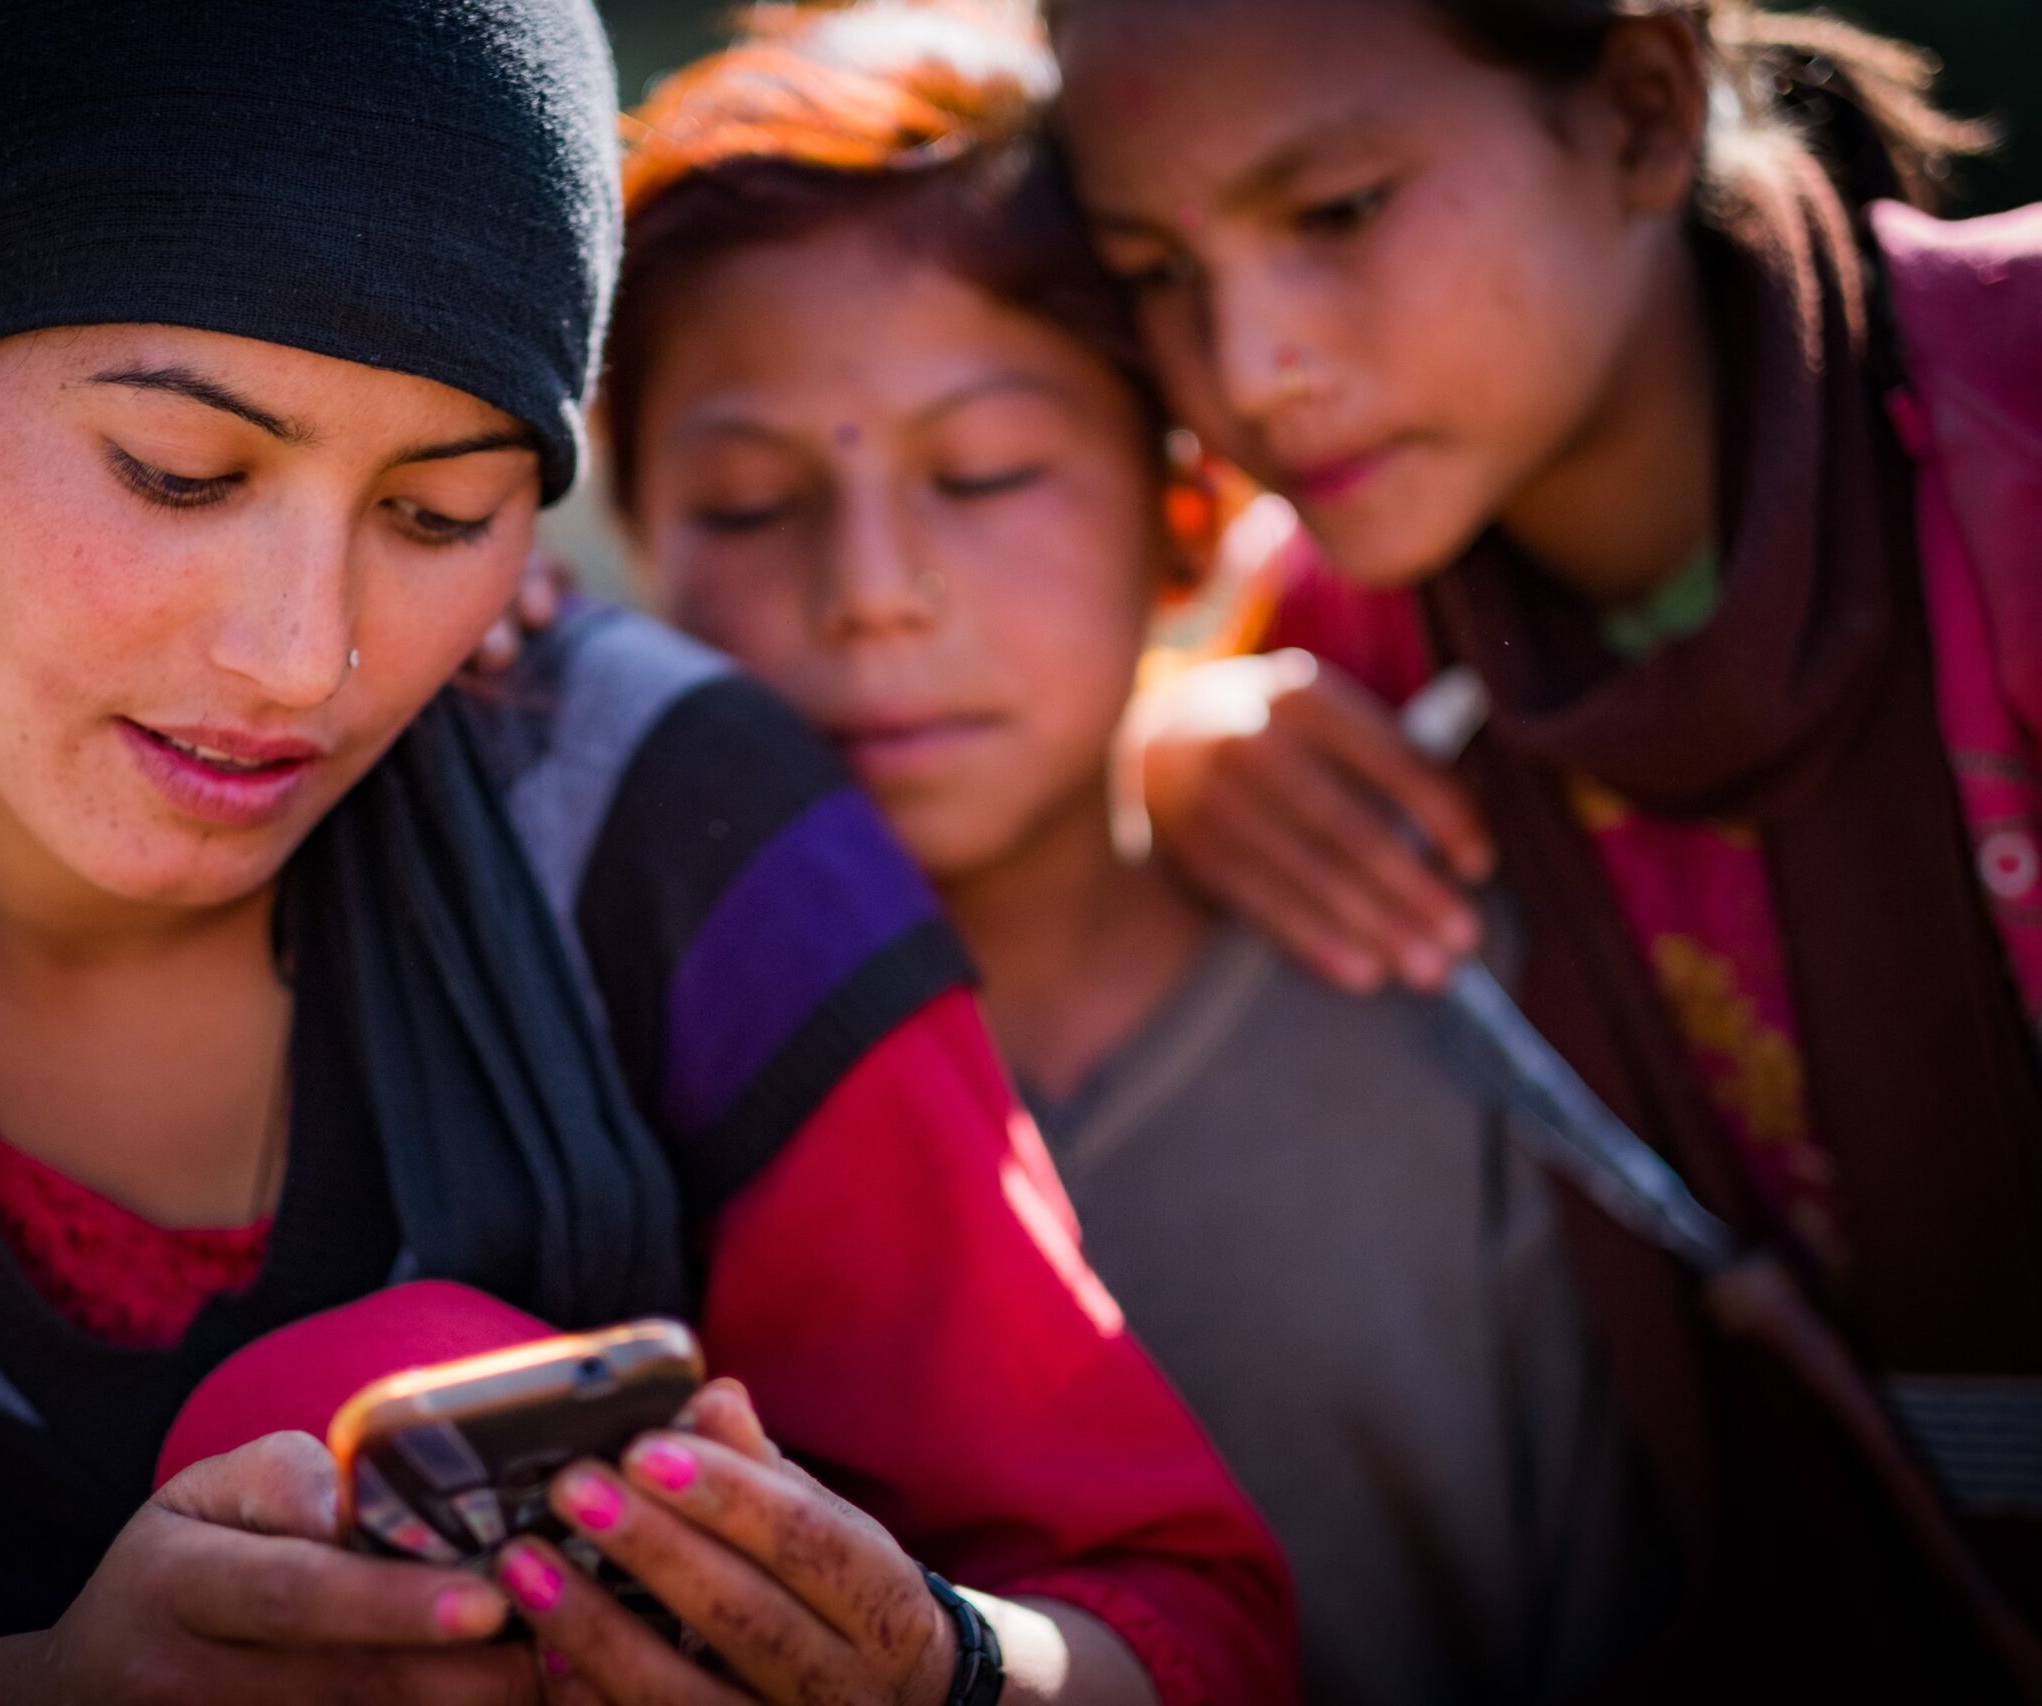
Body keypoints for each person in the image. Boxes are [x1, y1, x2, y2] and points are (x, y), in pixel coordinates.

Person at [0, 2, 1301, 1703]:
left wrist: (942, 1666)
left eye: (440, 511)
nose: (302, 657)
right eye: (180, 471)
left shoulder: (652, 806)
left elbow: (1182, 1610)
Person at [600, 7, 1674, 1701]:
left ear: (1189, 509)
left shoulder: (1446, 1009)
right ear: (631, 534)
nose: (874, 586)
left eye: (989, 470)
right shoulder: (578, 1063)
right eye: (746, 503)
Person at [1044, 0, 2042, 1693]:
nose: (1247, 364)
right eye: (1155, 264)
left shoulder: (2013, 404)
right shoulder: (1342, 658)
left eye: (1339, 210)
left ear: (1646, 106)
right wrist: (1166, 745)